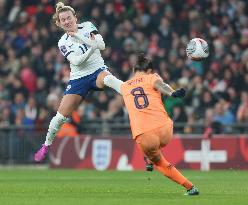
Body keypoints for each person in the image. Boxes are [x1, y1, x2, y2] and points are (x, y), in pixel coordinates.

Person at [34, 2, 123, 162]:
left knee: (109, 79)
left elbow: (102, 45)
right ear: (59, 24)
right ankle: (46, 145)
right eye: (63, 20)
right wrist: (91, 47)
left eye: (69, 18)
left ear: (75, 17)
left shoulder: (87, 26)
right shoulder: (63, 42)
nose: (67, 21)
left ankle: (132, 93)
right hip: (78, 79)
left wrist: (82, 37)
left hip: (97, 71)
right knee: (60, 117)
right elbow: (77, 62)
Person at [121, 53, 199, 196]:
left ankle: (190, 187)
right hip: (165, 128)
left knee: (160, 162)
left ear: (133, 71)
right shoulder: (152, 77)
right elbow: (161, 85)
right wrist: (173, 93)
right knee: (155, 148)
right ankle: (149, 158)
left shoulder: (124, 86)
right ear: (149, 70)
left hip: (145, 134)